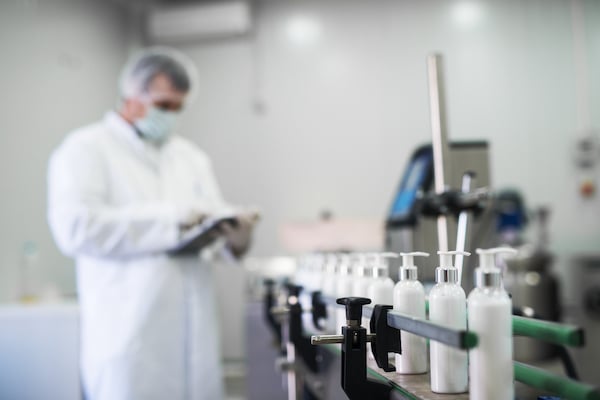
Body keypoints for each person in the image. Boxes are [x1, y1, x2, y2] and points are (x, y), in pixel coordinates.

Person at [47, 47, 255, 400]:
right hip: (130, 337)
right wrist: (171, 221)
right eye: (163, 105)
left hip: (194, 339)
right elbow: (76, 229)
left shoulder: (189, 156)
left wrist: (236, 239)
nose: (171, 115)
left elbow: (212, 230)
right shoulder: (86, 148)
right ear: (131, 97)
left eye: (179, 107)